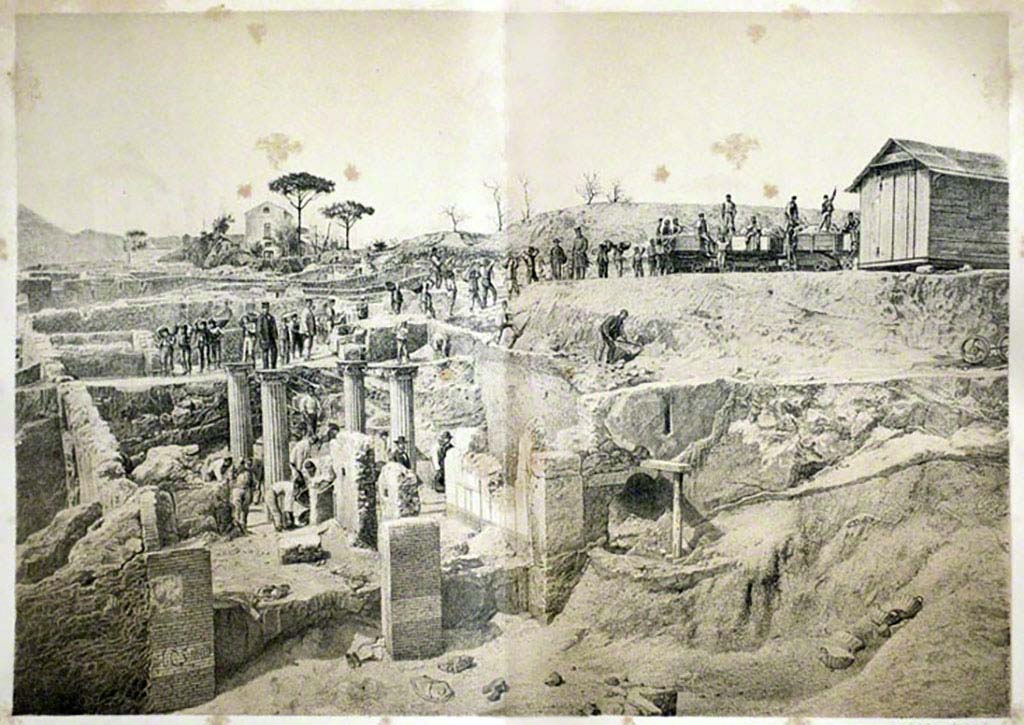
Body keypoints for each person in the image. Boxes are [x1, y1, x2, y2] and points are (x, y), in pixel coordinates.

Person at [228, 458, 255, 536]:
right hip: (237, 489)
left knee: (245, 508)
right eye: (240, 463)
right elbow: (230, 479)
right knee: (237, 508)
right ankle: (237, 524)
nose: (242, 464)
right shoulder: (234, 471)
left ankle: (244, 524)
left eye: (243, 463)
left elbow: (253, 482)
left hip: (247, 489)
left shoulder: (248, 472)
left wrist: (252, 489)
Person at [256, 301, 278, 370]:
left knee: (274, 351)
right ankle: (266, 368)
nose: (266, 310)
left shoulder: (271, 317)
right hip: (264, 338)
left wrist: (276, 336)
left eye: (267, 308)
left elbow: (274, 327)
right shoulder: (260, 318)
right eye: (265, 308)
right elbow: (259, 329)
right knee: (265, 353)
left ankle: (273, 366)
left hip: (271, 338)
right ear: (262, 309)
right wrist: (262, 338)